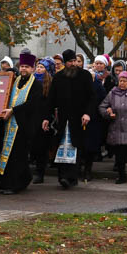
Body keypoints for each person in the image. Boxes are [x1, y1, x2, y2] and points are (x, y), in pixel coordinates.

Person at [43, 49, 94, 189]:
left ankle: (71, 177)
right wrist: (47, 118)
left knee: (75, 146)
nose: (73, 64)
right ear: (65, 63)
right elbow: (51, 99)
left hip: (79, 118)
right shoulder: (59, 77)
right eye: (70, 62)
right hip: (63, 118)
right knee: (61, 147)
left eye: (74, 61)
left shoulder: (85, 76)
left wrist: (87, 113)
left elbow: (91, 97)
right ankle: (62, 177)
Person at [0, 52, 42, 194]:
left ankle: (14, 184)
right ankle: (12, 181)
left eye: (27, 67)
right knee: (9, 154)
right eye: (22, 66)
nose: (23, 69)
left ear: (32, 68)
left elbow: (33, 104)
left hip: (24, 125)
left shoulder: (36, 85)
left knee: (18, 156)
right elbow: (4, 95)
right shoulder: (14, 80)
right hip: (9, 124)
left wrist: (14, 110)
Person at [31, 58, 56, 183]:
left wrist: (47, 117)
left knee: (42, 147)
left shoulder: (50, 83)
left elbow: (50, 103)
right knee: (33, 146)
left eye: (42, 67)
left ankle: (40, 172)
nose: (39, 69)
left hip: (44, 118)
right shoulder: (31, 81)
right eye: (38, 67)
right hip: (32, 117)